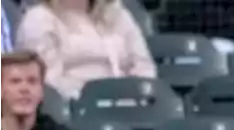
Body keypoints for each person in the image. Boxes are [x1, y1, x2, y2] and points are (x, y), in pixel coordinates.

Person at [16, 0, 156, 100]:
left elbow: (144, 66)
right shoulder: (39, 19)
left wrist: (135, 95)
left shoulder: (118, 14)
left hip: (128, 104)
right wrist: (96, 96)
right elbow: (49, 82)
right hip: (76, 109)